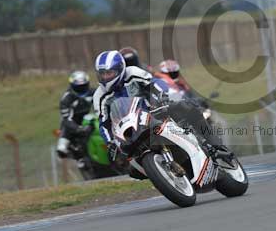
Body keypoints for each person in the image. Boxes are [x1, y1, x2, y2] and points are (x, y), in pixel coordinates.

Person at [92, 51, 222, 165]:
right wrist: (109, 143)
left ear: (120, 69)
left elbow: (155, 82)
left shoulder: (132, 72)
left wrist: (161, 96)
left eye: (109, 73)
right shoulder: (99, 95)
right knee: (133, 170)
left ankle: (217, 145)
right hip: (130, 127)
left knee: (188, 107)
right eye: (102, 74)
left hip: (154, 110)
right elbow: (103, 122)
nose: (105, 77)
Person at [56, 71, 95, 159]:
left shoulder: (94, 92)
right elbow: (66, 118)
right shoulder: (66, 99)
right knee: (61, 149)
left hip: (90, 118)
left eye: (83, 86)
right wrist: (78, 129)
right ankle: (67, 147)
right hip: (73, 122)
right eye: (78, 87)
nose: (81, 89)